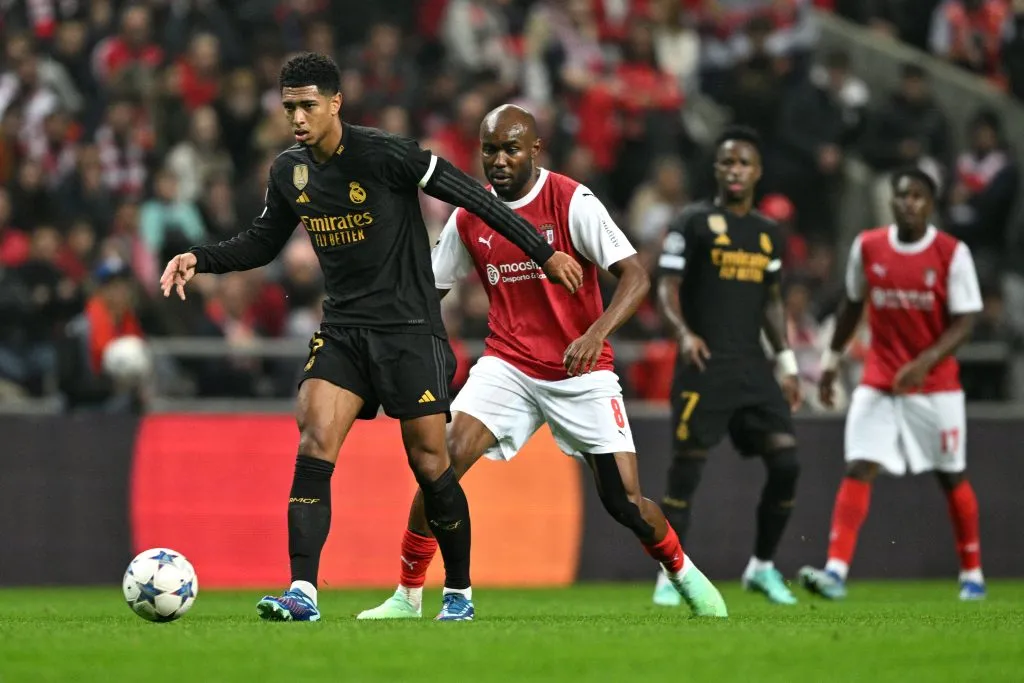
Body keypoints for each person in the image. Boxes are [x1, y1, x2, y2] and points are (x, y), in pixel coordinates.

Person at [159, 53, 584, 622]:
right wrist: (198, 257)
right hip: (344, 331)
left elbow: (475, 198)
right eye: (289, 107)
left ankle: (457, 591)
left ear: (336, 102)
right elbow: (262, 242)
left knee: (432, 465)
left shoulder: (387, 154)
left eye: (308, 105)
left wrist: (544, 250)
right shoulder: (289, 171)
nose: (298, 118)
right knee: (313, 440)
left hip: (409, 330)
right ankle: (303, 593)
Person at [356, 104, 728, 620]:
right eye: (490, 150)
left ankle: (682, 572)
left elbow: (637, 276)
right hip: (507, 364)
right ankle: (407, 595)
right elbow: (427, 293)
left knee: (624, 504)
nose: (499, 160)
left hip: (582, 369)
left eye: (511, 149)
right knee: (438, 468)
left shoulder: (571, 200)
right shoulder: (470, 216)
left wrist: (594, 335)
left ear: (535, 149)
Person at [798, 168, 986, 601]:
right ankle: (836, 571)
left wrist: (925, 362)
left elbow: (966, 322)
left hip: (935, 385)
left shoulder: (950, 254)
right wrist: (830, 362)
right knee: (859, 465)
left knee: (950, 474)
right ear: (893, 201)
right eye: (903, 196)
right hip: (880, 378)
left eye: (918, 197)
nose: (909, 204)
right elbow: (852, 306)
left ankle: (972, 572)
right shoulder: (868, 247)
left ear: (931, 203)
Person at [655, 126, 803, 607]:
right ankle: (670, 573)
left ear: (757, 172)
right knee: (687, 471)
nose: (734, 170)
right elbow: (666, 287)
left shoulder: (767, 233)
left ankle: (761, 567)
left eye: (743, 163)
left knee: (786, 461)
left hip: (752, 368)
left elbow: (773, 302)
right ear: (716, 169)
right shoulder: (693, 222)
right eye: (726, 163)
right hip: (704, 365)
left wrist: (787, 363)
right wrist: (683, 333)